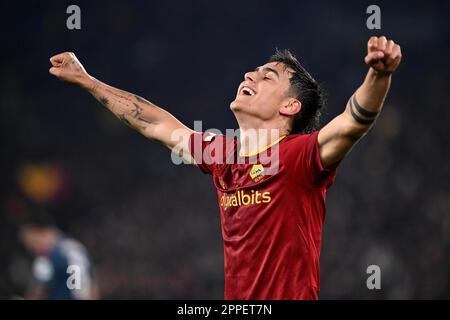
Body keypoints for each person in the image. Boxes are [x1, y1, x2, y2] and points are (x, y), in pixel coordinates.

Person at [48, 36, 402, 299]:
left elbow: (352, 122)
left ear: (291, 106)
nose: (250, 75)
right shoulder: (224, 156)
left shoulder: (298, 156)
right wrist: (88, 81)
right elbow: (155, 124)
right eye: (254, 71)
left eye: (267, 76)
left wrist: (378, 76)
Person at [19, 213, 99, 299]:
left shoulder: (69, 251)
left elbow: (84, 288)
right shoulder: (47, 258)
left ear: (40, 232)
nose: (34, 249)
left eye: (34, 242)